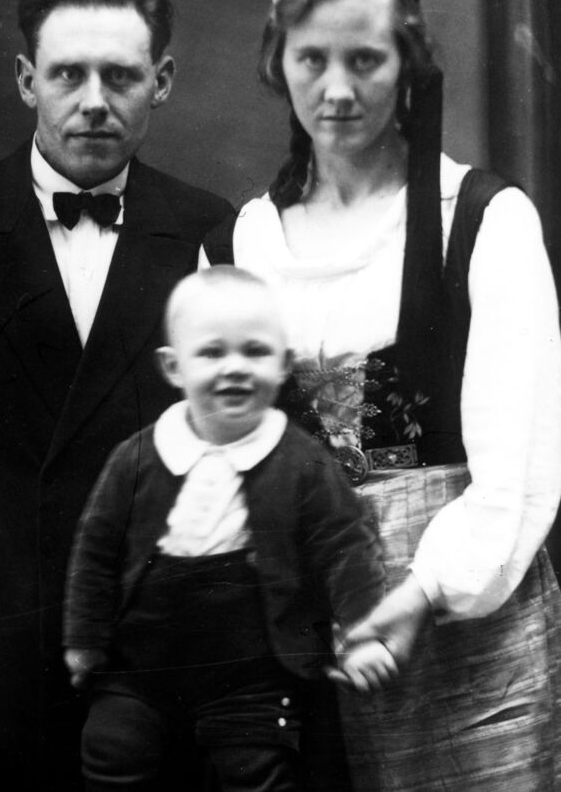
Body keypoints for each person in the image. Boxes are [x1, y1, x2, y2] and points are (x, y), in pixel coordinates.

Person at [202, 0, 561, 789]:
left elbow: (519, 475)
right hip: (314, 646)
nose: (337, 90)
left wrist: (423, 589)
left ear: (408, 64)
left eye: (365, 59)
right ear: (277, 62)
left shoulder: (485, 220)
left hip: (472, 650)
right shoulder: (240, 246)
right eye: (311, 59)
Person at [0, 0, 232, 790]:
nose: (94, 100)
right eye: (67, 74)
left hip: (150, 666)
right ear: (27, 80)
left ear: (161, 81)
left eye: (120, 75)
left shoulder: (212, 231)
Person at [62, 265, 387, 792]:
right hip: (139, 662)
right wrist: (84, 639)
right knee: (111, 749)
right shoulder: (137, 457)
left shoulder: (301, 460)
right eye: (211, 353)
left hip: (252, 669)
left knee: (255, 766)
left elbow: (346, 546)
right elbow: (95, 550)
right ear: (173, 367)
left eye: (255, 352)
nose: (234, 368)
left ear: (283, 364)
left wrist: (365, 636)